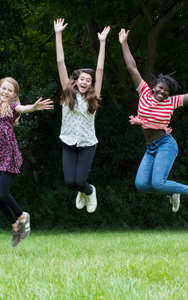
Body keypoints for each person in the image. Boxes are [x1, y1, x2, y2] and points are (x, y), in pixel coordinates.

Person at [118, 28, 188, 213]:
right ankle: (172, 193)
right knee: (141, 184)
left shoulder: (172, 101)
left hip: (165, 145)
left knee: (158, 182)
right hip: (150, 148)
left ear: (170, 93)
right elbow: (132, 68)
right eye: (160, 88)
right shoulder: (144, 92)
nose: (162, 92)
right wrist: (124, 44)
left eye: (166, 90)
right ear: (154, 87)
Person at [0, 38, 53, 247]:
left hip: (9, 155)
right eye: (3, 88)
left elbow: (24, 109)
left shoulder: (13, 108)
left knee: (3, 193)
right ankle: (14, 226)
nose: (5, 91)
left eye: (9, 90)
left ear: (14, 95)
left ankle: (22, 216)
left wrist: (33, 107)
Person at [53, 18, 110, 213]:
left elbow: (100, 70)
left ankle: (89, 190)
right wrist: (58, 34)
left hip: (87, 144)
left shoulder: (94, 97)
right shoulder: (68, 94)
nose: (85, 81)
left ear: (91, 84)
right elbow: (60, 62)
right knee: (70, 183)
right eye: (82, 79)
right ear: (75, 81)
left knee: (79, 180)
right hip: (68, 142)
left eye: (89, 80)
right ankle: (84, 190)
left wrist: (102, 43)